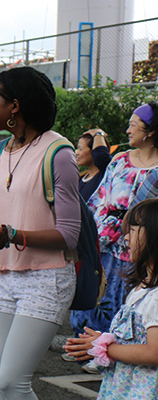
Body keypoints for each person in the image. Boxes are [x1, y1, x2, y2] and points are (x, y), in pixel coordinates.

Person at [0, 67, 80, 400]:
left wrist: (4, 233)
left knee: (11, 381)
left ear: (15, 106)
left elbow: (68, 235)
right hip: (5, 274)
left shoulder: (58, 153)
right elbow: (16, 215)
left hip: (47, 278)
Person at [71, 102, 158, 373]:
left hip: (147, 248)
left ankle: (122, 356)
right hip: (109, 245)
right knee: (97, 300)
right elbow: (99, 200)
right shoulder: (120, 160)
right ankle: (94, 350)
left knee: (133, 309)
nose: (127, 129)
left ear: (151, 132)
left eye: (133, 124)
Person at [64, 198, 158, 399]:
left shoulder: (156, 297)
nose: (125, 238)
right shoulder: (139, 289)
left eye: (132, 231)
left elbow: (154, 352)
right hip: (126, 387)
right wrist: (100, 341)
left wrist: (106, 347)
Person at [75, 128, 112, 202]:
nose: (76, 153)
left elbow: (101, 156)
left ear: (94, 150)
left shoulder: (105, 174)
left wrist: (98, 134)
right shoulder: (79, 179)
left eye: (80, 149)